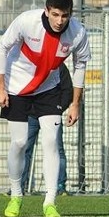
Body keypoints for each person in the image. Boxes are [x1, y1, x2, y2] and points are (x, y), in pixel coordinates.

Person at [0, 0, 91, 217]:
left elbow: (81, 66)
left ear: (70, 14)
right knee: (19, 143)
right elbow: (2, 47)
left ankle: (50, 202)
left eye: (65, 15)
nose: (60, 21)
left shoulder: (78, 33)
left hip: (49, 89)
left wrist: (75, 103)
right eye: (55, 14)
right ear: (46, 11)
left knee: (51, 141)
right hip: (17, 86)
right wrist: (0, 87)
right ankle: (16, 196)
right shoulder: (26, 22)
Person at [20, 65, 71, 195]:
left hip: (51, 114)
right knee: (24, 149)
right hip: (31, 115)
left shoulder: (60, 67)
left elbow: (67, 90)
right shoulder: (30, 64)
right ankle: (19, 187)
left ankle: (59, 186)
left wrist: (58, 108)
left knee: (56, 149)